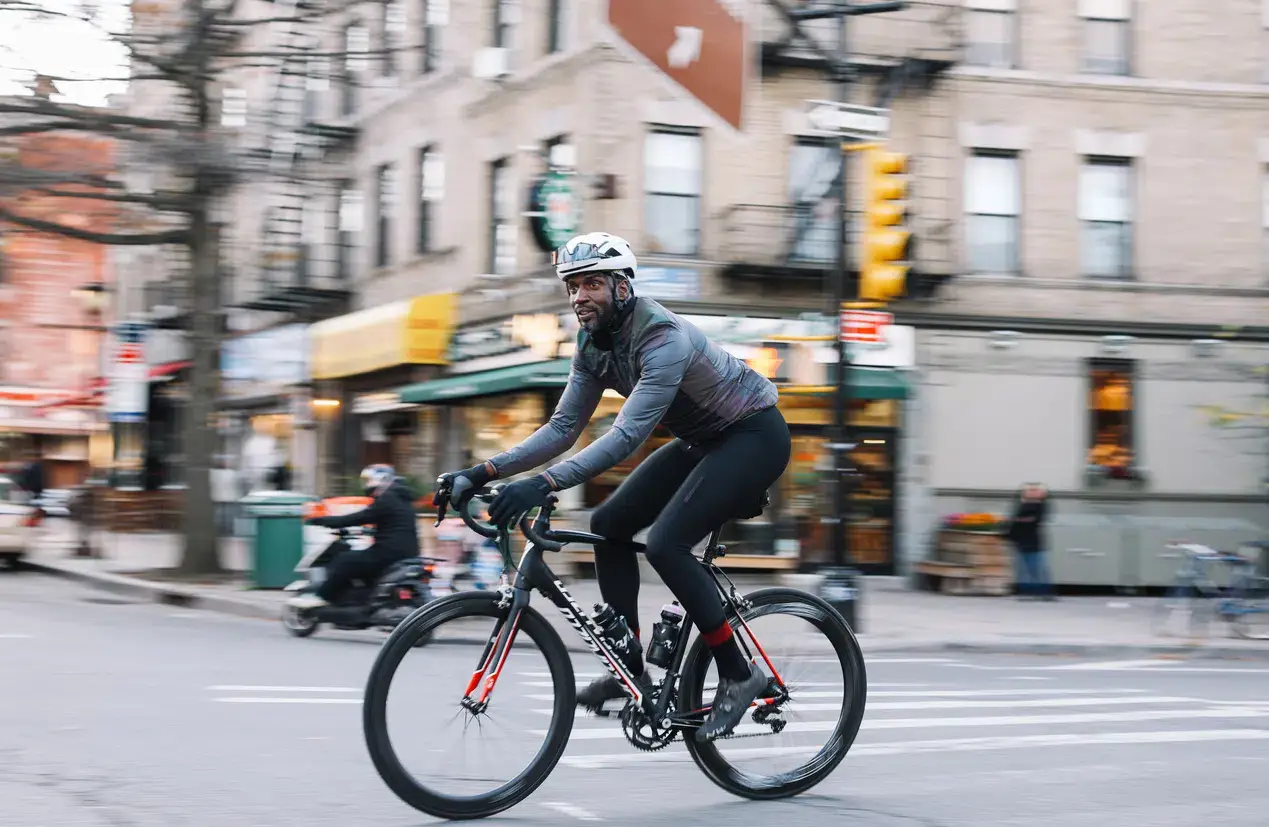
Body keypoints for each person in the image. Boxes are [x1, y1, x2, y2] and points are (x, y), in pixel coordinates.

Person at [441, 232, 792, 743]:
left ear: (622, 288)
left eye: (592, 284)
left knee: (666, 545)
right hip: (701, 440)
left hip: (753, 435)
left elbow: (627, 436)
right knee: (607, 524)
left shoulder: (662, 338)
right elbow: (563, 427)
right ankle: (629, 665)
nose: (580, 296)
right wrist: (482, 472)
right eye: (573, 286)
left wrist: (542, 484)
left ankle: (740, 675)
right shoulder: (591, 345)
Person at [288, 464, 420, 610]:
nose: (365, 484)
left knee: (345, 560)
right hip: (408, 553)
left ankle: (321, 597)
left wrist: (321, 520)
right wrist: (369, 531)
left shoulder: (387, 499)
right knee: (362, 564)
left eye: (367, 479)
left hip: (387, 553)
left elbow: (357, 518)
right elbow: (392, 524)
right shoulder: (403, 499)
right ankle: (365, 600)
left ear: (378, 480)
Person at [1008, 482, 1055, 601]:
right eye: (1029, 490)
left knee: (1037, 568)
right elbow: (1015, 521)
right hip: (1021, 541)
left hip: (1034, 542)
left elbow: (1034, 520)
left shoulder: (1041, 505)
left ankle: (1044, 592)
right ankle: (1026, 591)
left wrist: (1020, 520)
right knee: (1023, 568)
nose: (1031, 492)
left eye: (1035, 490)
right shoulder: (1021, 504)